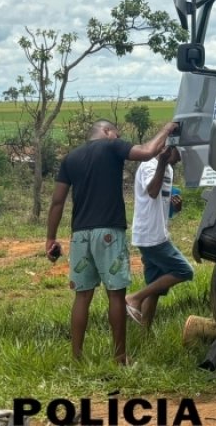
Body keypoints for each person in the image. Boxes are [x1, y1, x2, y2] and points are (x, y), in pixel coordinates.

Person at [45, 119, 179, 364]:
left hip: (80, 236)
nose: (118, 137)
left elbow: (57, 202)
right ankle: (119, 358)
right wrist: (167, 129)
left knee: (82, 297)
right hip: (109, 233)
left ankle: (76, 358)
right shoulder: (111, 146)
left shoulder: (70, 158)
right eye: (116, 133)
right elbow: (148, 152)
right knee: (116, 296)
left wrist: (50, 239)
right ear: (106, 132)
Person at [125, 146, 194, 329]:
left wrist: (175, 207)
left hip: (157, 233)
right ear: (168, 149)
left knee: (154, 287)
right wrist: (161, 162)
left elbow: (159, 203)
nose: (179, 160)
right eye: (179, 154)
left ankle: (144, 331)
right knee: (185, 271)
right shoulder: (149, 164)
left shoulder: (168, 169)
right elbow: (152, 192)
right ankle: (134, 298)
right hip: (150, 236)